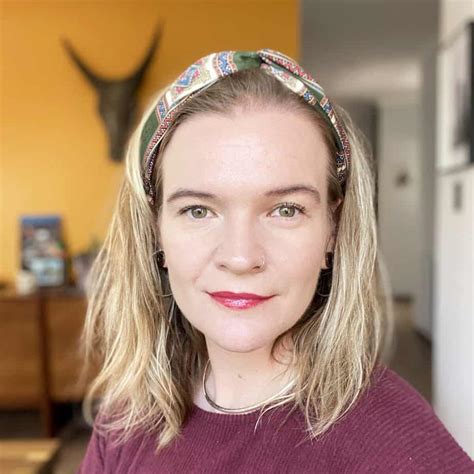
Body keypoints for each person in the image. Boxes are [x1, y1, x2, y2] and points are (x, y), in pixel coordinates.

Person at [77, 49, 473, 473]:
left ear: (332, 230)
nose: (240, 257)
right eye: (198, 210)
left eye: (285, 210)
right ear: (155, 230)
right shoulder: (127, 418)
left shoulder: (398, 450)